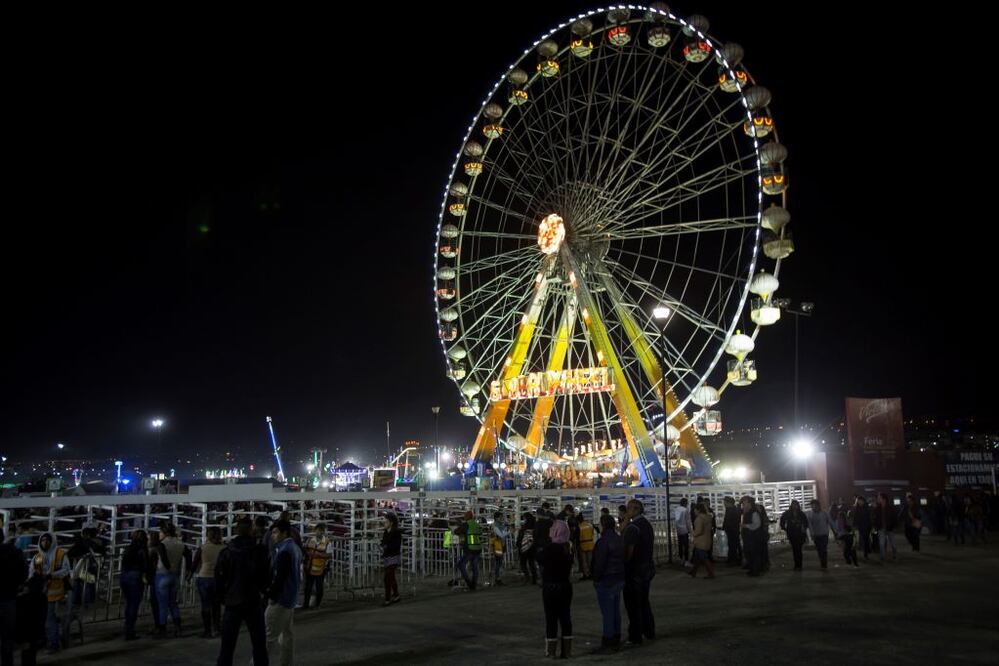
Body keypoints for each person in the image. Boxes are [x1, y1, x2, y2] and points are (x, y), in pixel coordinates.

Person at [215, 517, 269, 666]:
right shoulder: (259, 551)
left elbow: (219, 578)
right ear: (251, 530)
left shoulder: (226, 552)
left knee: (227, 646)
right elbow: (265, 576)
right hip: (253, 600)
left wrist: (222, 597)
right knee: (259, 644)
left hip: (232, 601)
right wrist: (264, 593)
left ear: (236, 530)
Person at [264, 520, 301, 666]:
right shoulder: (295, 548)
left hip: (281, 599)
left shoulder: (284, 551)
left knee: (268, 637)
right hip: (291, 598)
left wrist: (272, 596)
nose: (273, 536)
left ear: (284, 533)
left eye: (275, 532)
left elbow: (280, 577)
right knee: (287, 636)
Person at [30, 533, 70, 653]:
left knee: (50, 619)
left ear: (52, 541)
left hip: (56, 594)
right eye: (42, 540)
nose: (45, 543)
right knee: (41, 619)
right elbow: (31, 572)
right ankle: (43, 640)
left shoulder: (61, 554)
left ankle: (54, 643)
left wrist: (51, 575)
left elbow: (66, 570)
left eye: (47, 540)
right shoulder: (37, 557)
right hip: (40, 594)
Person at [622, 499, 655, 645]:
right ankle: (649, 630)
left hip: (635, 569)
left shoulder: (633, 528)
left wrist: (624, 564)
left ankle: (635, 635)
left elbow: (629, 550)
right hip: (647, 567)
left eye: (629, 509)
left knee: (633, 604)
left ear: (634, 510)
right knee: (644, 601)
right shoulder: (647, 525)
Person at [590, 514, 624, 654]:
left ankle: (608, 640)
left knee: (607, 612)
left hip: (606, 579)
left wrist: (596, 578)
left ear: (603, 525)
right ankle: (616, 636)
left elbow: (599, 563)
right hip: (618, 577)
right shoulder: (619, 539)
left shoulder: (603, 542)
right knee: (615, 610)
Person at [540, 520, 574, 658]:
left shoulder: (548, 549)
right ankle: (567, 651)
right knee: (565, 618)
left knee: (551, 619)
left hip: (550, 587)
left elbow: (539, 558)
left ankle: (551, 651)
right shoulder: (568, 548)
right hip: (565, 587)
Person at [154, 522, 191, 637]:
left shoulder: (162, 544)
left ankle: (162, 629)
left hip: (162, 574)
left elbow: (163, 557)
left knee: (162, 604)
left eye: (160, 531)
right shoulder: (180, 544)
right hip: (175, 575)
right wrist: (189, 570)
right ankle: (177, 627)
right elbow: (188, 554)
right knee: (173, 603)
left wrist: (168, 566)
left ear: (165, 532)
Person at [1, 526, 28, 665]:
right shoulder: (15, 552)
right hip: (10, 599)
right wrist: (17, 585)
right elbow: (24, 572)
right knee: (7, 639)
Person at [192, 527, 224, 638]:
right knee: (216, 605)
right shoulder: (223, 548)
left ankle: (207, 630)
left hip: (204, 577)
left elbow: (195, 563)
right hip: (218, 578)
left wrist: (190, 574)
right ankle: (217, 628)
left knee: (205, 605)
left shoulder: (203, 548)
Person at [119, 530, 148, 641]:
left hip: (124, 576)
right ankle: (129, 630)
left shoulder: (128, 548)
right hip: (135, 576)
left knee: (129, 603)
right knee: (133, 605)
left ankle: (128, 627)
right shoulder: (142, 550)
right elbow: (145, 565)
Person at [302, 524, 332, 610]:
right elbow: (304, 550)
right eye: (318, 530)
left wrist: (320, 555)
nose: (319, 532)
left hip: (321, 568)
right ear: (315, 530)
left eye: (321, 530)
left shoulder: (327, 542)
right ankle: (306, 604)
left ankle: (317, 604)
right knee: (308, 588)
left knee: (319, 588)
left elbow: (329, 555)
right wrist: (307, 554)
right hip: (309, 568)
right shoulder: (310, 540)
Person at [455, 511, 482, 591]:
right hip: (478, 548)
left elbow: (456, 531)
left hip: (469, 549)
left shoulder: (466, 525)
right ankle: (474, 584)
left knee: (460, 565)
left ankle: (469, 583)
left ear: (466, 517)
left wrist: (460, 525)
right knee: (474, 567)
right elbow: (480, 532)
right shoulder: (476, 524)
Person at [779, 500, 809, 571]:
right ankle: (796, 565)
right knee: (795, 549)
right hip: (792, 534)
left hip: (800, 534)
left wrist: (803, 527)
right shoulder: (788, 513)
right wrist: (784, 528)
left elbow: (806, 523)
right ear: (791, 506)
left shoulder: (801, 514)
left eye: (796, 505)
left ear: (798, 506)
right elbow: (782, 520)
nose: (795, 507)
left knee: (798, 549)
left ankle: (799, 565)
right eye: (793, 505)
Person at [688, 504, 715, 579]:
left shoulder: (699, 519)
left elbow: (699, 531)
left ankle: (711, 573)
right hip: (706, 539)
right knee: (697, 557)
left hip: (700, 541)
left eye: (695, 510)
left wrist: (692, 533)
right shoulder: (708, 517)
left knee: (704, 558)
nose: (694, 511)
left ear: (698, 510)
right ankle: (693, 571)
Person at [381, 513, 402, 605]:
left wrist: (387, 546)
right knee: (390, 577)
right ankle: (396, 595)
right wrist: (382, 545)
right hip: (387, 557)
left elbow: (397, 545)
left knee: (388, 577)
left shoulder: (396, 532)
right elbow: (384, 542)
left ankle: (387, 598)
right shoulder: (386, 532)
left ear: (391, 523)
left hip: (393, 556)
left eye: (386, 522)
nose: (384, 524)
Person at [147, 531, 164, 636]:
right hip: (162, 576)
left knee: (155, 603)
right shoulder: (161, 547)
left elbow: (149, 564)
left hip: (156, 577)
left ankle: (159, 626)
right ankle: (161, 625)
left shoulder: (152, 550)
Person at [806, 499, 832, 570]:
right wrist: (811, 535)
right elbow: (810, 526)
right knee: (819, 550)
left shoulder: (824, 513)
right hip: (816, 535)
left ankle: (824, 564)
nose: (813, 507)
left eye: (814, 506)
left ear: (818, 505)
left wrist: (835, 532)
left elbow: (830, 522)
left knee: (823, 549)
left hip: (824, 534)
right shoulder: (810, 515)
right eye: (812, 506)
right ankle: (822, 562)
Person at [740, 497, 763, 576]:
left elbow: (757, 524)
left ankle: (755, 571)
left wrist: (746, 526)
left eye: (744, 503)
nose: (743, 504)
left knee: (753, 554)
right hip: (748, 537)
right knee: (749, 553)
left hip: (753, 537)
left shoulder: (754, 512)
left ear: (749, 503)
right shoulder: (747, 512)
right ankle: (752, 569)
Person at [873, 493, 898, 561]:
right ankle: (882, 557)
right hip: (881, 528)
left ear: (883, 499)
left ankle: (895, 554)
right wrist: (875, 526)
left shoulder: (890, 508)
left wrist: (894, 526)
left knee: (893, 543)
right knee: (881, 543)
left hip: (890, 528)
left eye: (879, 498)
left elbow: (895, 518)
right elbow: (875, 518)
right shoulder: (877, 508)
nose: (878, 499)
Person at [516, 513, 537, 585]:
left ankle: (527, 577)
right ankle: (534, 578)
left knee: (523, 563)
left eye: (524, 518)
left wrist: (518, 545)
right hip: (532, 547)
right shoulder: (535, 526)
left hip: (524, 548)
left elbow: (520, 538)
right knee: (531, 563)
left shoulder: (524, 527)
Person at [722, 497, 742, 566]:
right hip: (732, 530)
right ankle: (733, 559)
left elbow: (732, 521)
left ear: (729, 502)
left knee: (733, 546)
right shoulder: (731, 509)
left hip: (733, 531)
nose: (724, 503)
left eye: (725, 502)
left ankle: (734, 560)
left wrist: (726, 527)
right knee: (733, 545)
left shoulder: (733, 510)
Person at [852, 496, 873, 560]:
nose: (859, 502)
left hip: (867, 526)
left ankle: (866, 553)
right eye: (858, 501)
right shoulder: (857, 508)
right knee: (863, 539)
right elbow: (855, 517)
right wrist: (854, 525)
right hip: (860, 526)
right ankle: (866, 550)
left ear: (863, 501)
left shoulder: (867, 507)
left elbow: (869, 517)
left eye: (860, 501)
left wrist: (871, 525)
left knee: (865, 539)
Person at [489, 512, 508, 586]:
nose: (502, 518)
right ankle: (497, 579)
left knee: (498, 563)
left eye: (502, 517)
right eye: (500, 517)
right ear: (496, 518)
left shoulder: (500, 525)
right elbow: (501, 535)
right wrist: (509, 532)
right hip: (497, 546)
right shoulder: (496, 526)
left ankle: (496, 578)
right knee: (498, 563)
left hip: (500, 546)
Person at [674, 498, 693, 567]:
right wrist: (690, 530)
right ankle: (686, 561)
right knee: (686, 546)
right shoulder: (685, 510)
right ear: (685, 503)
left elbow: (676, 520)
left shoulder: (676, 509)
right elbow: (688, 521)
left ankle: (681, 559)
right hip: (684, 530)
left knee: (680, 546)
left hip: (678, 530)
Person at [577, 513, 595, 580]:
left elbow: (577, 536)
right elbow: (593, 533)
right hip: (590, 543)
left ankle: (585, 575)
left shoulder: (579, 526)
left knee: (584, 561)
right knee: (590, 560)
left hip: (583, 544)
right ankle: (591, 574)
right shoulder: (590, 525)